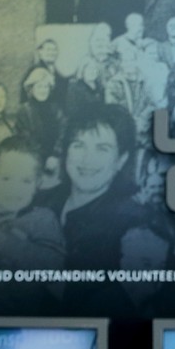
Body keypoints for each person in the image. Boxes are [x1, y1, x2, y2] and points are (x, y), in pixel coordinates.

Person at [38, 102, 144, 269]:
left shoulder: (134, 223)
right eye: (78, 145)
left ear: (121, 160)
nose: (87, 159)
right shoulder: (38, 200)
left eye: (102, 149)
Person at [0, 135, 65, 269]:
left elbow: (54, 266)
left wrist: (4, 243)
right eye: (6, 178)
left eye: (25, 181)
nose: (14, 189)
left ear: (38, 183)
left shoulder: (43, 219)